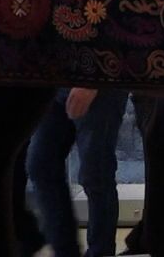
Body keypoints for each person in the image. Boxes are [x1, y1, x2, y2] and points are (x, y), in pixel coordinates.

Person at [27, 87, 130, 257]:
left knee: (95, 173)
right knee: (41, 165)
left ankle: (100, 251)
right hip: (56, 82)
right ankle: (65, 250)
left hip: (99, 83)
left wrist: (90, 84)